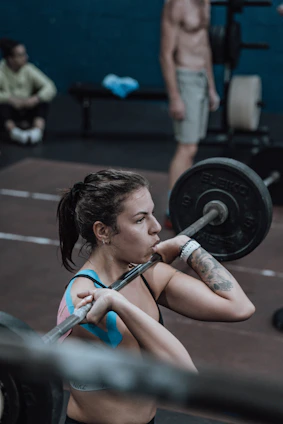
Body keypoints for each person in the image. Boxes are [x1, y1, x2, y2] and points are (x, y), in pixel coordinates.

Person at [56, 169, 255, 424]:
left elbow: (239, 307)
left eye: (152, 213)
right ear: (103, 232)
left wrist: (188, 247)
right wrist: (119, 304)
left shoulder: (146, 274)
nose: (156, 227)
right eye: (140, 220)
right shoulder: (83, 299)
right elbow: (186, 375)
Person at [159, 0, 220, 229]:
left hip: (201, 80)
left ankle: (180, 204)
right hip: (184, 79)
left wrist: (211, 86)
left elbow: (204, 45)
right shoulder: (177, 4)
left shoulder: (205, 3)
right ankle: (171, 211)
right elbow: (165, 54)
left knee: (191, 148)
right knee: (186, 147)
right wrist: (175, 96)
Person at [0, 38, 57, 145]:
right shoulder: (1, 71)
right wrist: (9, 98)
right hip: (11, 109)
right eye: (20, 55)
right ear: (10, 59)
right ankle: (15, 133)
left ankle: (36, 132)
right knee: (2, 107)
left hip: (27, 107)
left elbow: (50, 86)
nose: (25, 57)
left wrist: (35, 99)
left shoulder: (29, 69)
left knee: (43, 103)